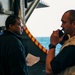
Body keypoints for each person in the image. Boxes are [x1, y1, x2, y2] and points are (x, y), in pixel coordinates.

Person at [46, 9, 75, 75]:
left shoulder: (71, 48)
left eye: (64, 22)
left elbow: (49, 70)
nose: (61, 26)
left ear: (73, 24)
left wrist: (53, 45)